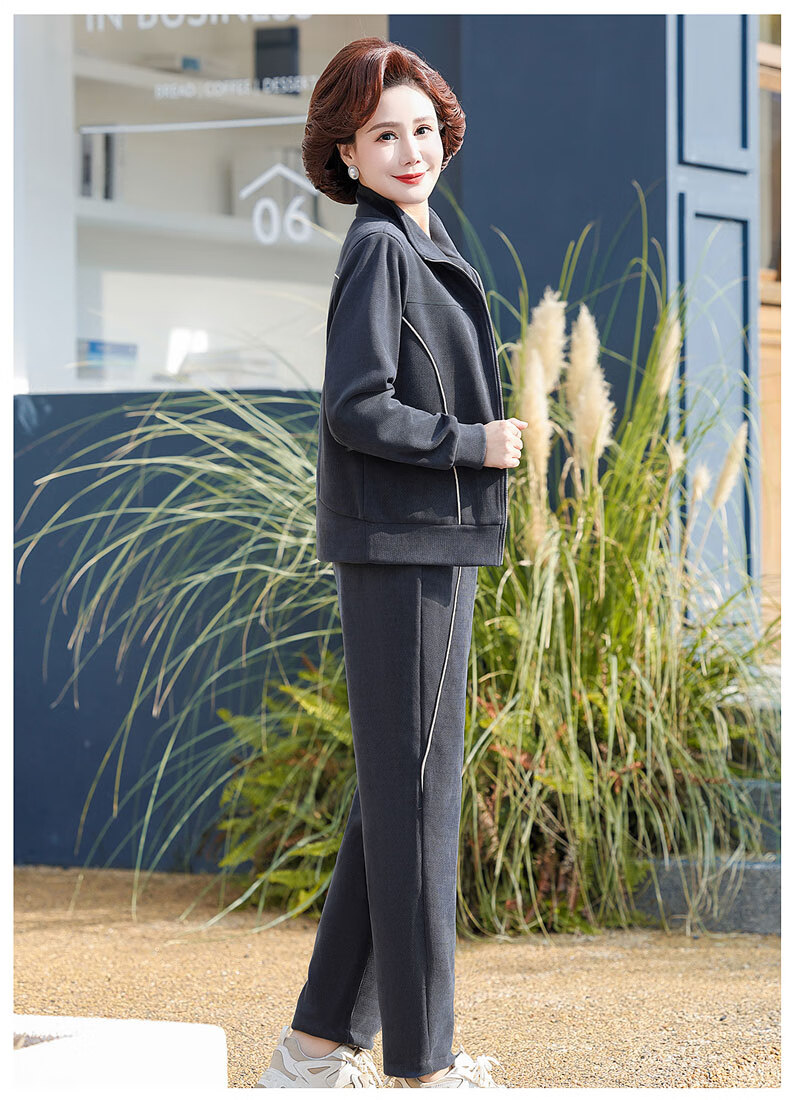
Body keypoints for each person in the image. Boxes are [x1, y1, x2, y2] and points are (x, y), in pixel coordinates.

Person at [256, 35, 525, 1090]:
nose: (411, 151)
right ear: (347, 152)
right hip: (404, 547)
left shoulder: (415, 234)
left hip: (424, 544)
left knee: (397, 806)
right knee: (418, 813)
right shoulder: (379, 247)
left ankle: (314, 1048)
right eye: (384, 135)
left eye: (421, 129)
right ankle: (425, 1063)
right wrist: (472, 442)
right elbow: (355, 405)